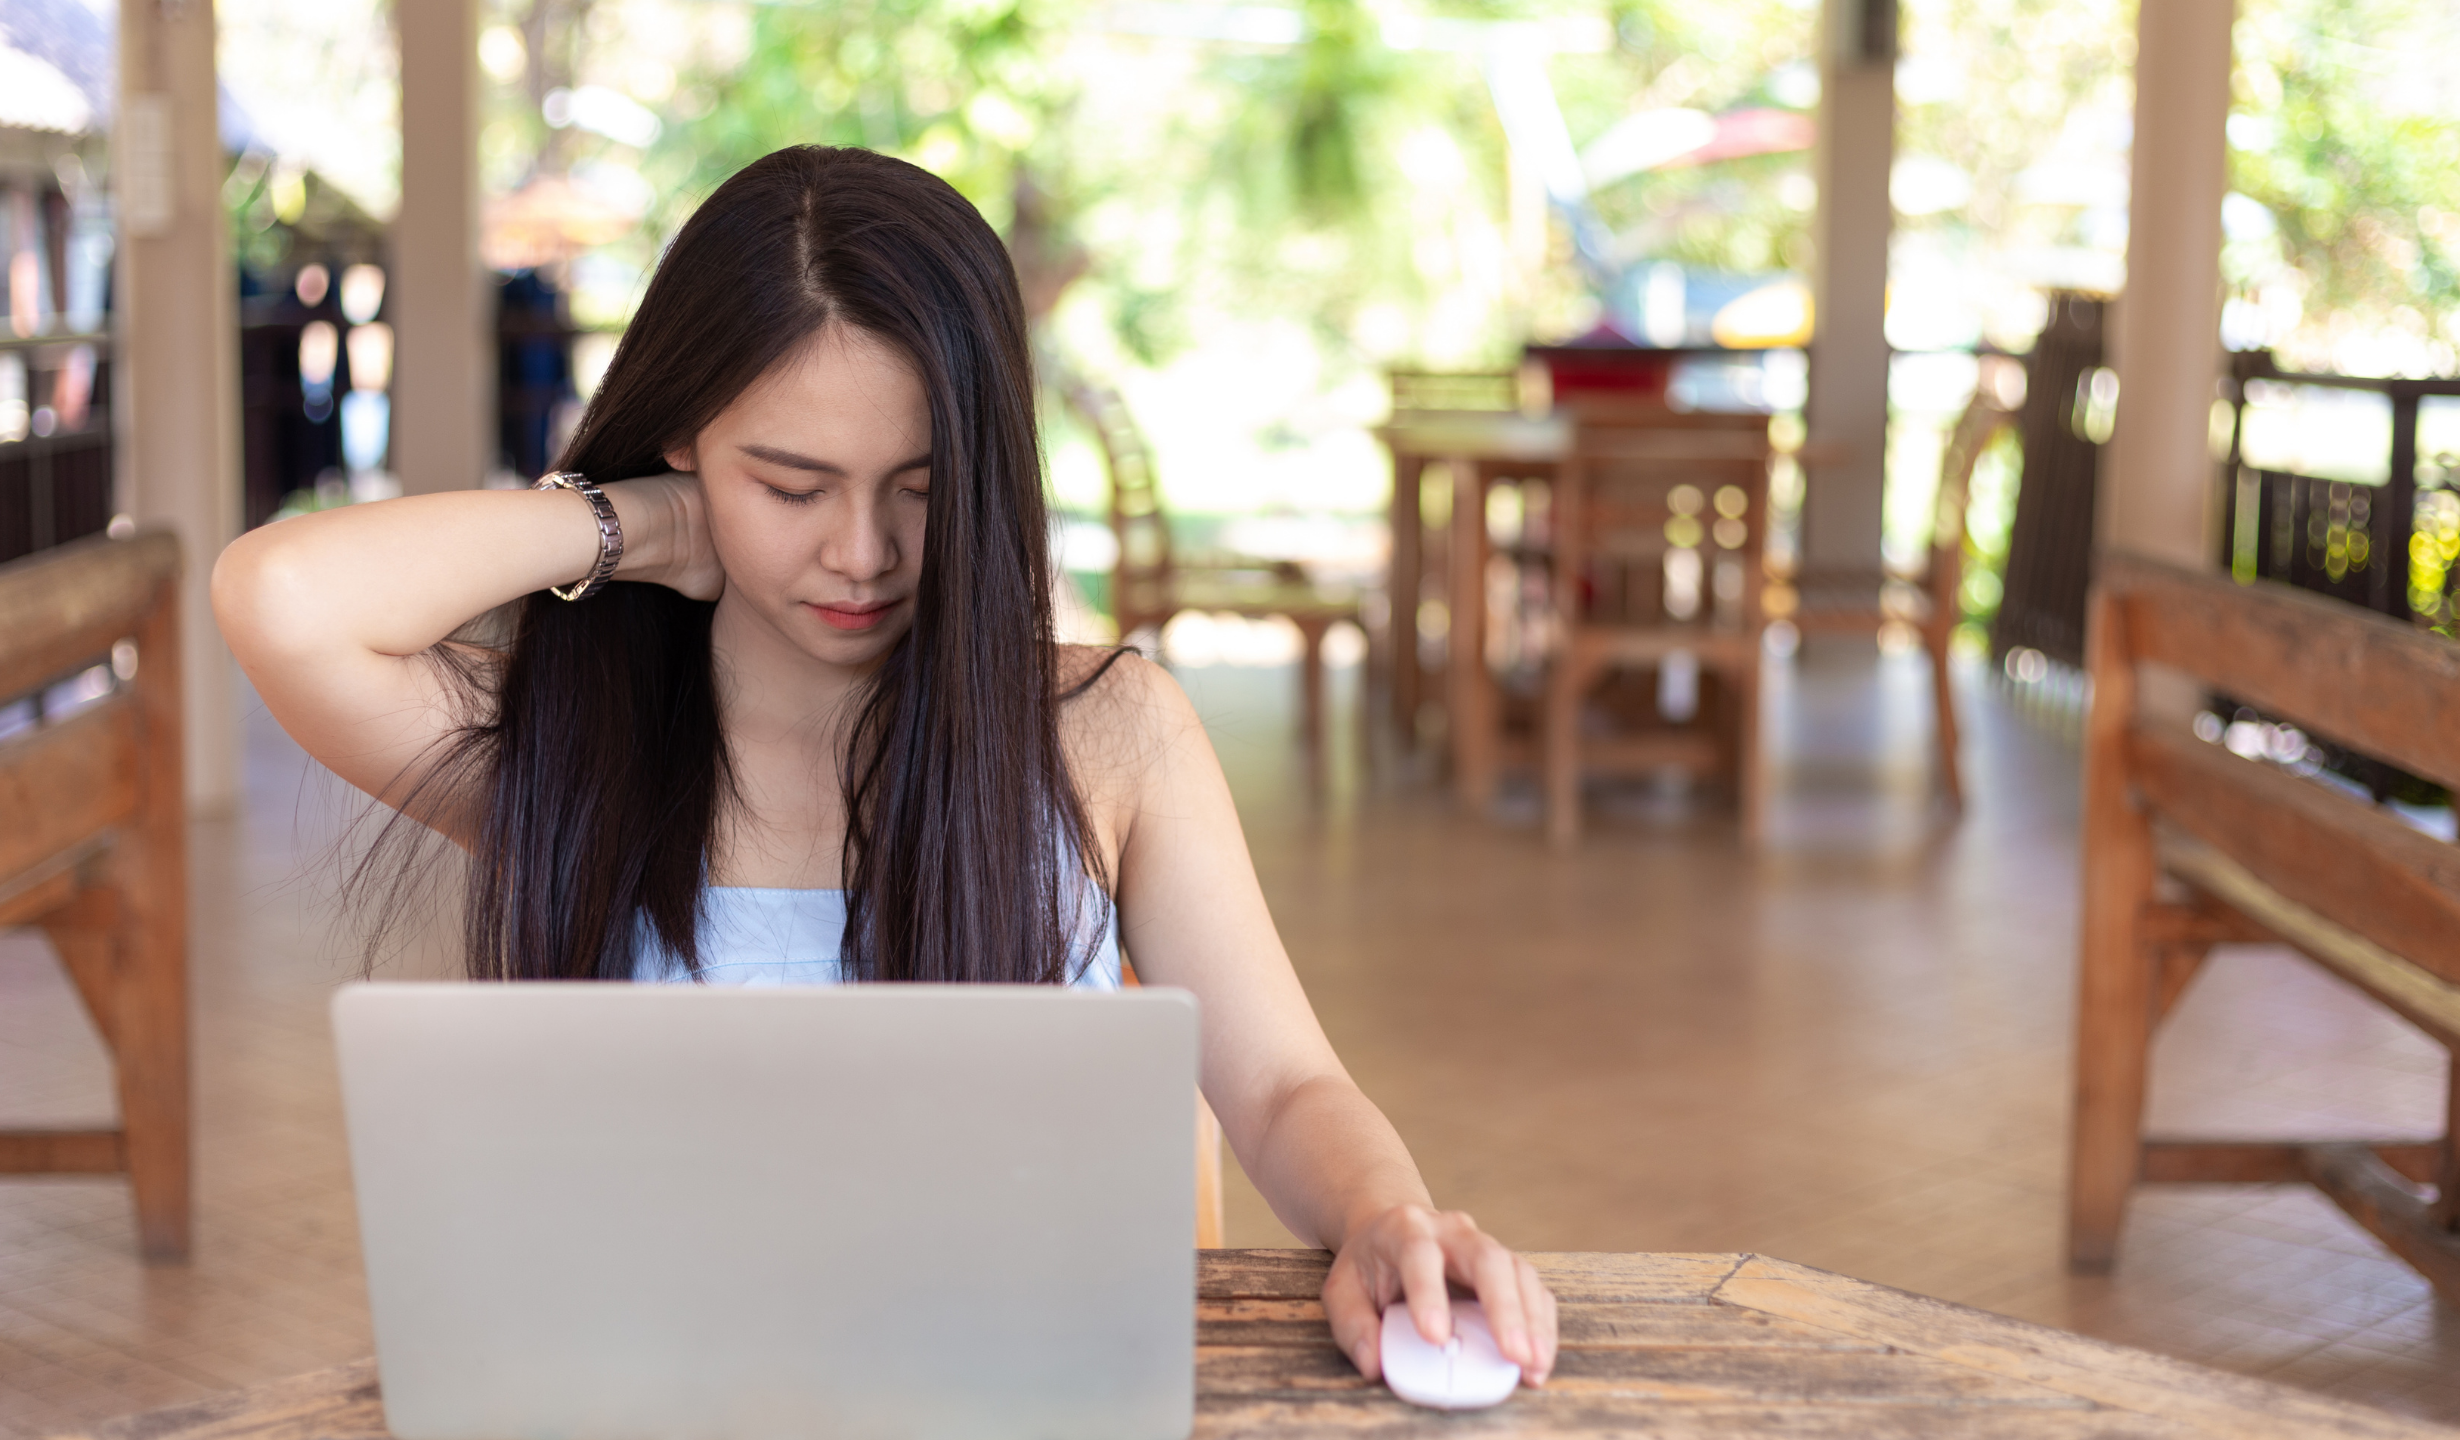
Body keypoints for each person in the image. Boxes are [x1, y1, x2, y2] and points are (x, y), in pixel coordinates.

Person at [214, 144, 1557, 1384]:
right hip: (672, 1391)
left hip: (1022, 1387)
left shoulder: (1108, 735)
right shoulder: (578, 755)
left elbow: (1280, 1088)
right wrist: (633, 523)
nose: (860, 553)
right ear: (681, 436)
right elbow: (278, 598)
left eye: (919, 488)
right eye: (791, 484)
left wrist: (1386, 1213)